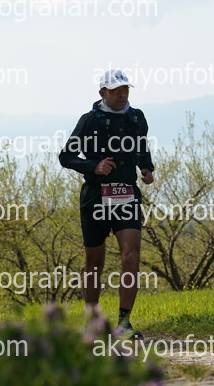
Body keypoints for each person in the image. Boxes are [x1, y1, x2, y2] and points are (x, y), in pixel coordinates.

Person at [59, 69, 154, 339]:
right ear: (102, 93)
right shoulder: (89, 120)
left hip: (126, 194)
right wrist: (94, 166)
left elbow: (142, 147)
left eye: (125, 89)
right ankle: (92, 322)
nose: (122, 95)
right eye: (115, 90)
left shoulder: (137, 117)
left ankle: (124, 323)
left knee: (131, 255)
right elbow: (66, 156)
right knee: (94, 263)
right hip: (95, 197)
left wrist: (146, 167)